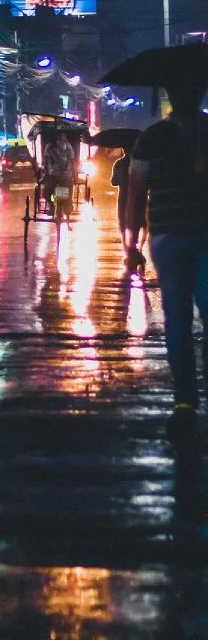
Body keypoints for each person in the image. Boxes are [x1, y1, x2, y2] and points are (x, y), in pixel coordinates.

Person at [125, 80, 208, 436]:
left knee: (177, 319)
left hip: (166, 237)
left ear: (170, 98)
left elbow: (135, 194)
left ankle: (185, 400)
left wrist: (132, 244)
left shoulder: (151, 137)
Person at [111, 147, 147, 258]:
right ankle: (138, 249)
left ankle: (128, 253)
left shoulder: (119, 164)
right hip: (140, 198)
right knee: (142, 224)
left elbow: (113, 182)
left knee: (123, 226)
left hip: (123, 200)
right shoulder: (140, 163)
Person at [43, 132, 76, 215]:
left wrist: (74, 176)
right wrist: (46, 175)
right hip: (53, 175)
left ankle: (68, 206)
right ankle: (51, 206)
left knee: (69, 193)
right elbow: (46, 163)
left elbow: (72, 162)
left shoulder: (68, 147)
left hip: (66, 176)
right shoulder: (49, 147)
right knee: (46, 193)